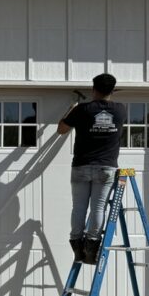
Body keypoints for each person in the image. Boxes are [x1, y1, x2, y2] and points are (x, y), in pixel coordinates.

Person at [57, 73, 126, 265]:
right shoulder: (121, 110)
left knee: (79, 208)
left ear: (93, 89)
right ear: (112, 91)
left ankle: (77, 247)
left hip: (81, 166)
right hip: (105, 167)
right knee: (98, 207)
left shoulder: (82, 110)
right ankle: (91, 246)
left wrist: (71, 109)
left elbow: (61, 129)